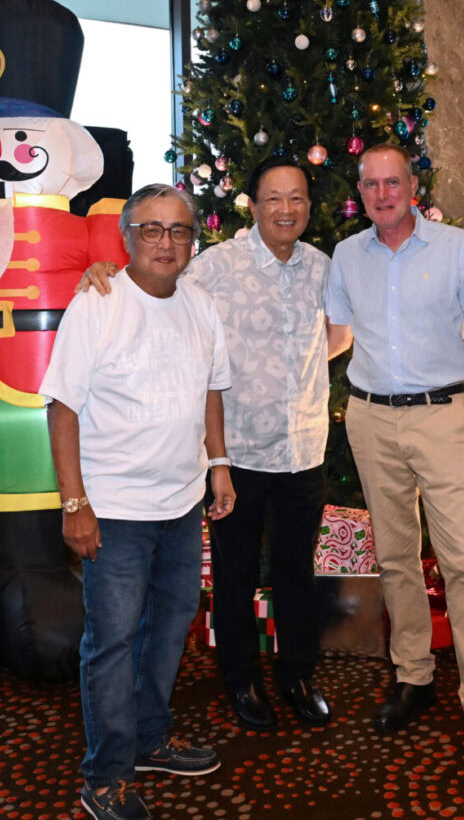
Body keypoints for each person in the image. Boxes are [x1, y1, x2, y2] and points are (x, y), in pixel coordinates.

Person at [82, 156, 353, 733]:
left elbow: (339, 334)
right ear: (252, 206)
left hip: (303, 448)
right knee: (235, 576)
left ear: (309, 206)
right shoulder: (216, 266)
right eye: (273, 198)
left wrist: (295, 373)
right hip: (237, 451)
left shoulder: (322, 267)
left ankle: (297, 677)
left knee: (296, 573)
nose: (285, 209)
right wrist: (104, 270)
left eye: (297, 198)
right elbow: (156, 289)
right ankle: (241, 679)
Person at [42, 182, 235, 820]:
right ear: (127, 236)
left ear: (192, 241)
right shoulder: (98, 303)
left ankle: (150, 739)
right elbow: (62, 407)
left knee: (168, 632)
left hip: (181, 505)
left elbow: (211, 390)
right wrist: (75, 504)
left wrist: (218, 466)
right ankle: (105, 777)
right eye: (151, 228)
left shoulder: (201, 305)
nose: (165, 242)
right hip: (114, 510)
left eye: (179, 230)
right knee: (113, 643)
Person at [324, 144, 464, 773]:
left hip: (441, 415)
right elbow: (335, 336)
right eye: (371, 185)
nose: (383, 194)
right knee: (395, 557)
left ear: (412, 186)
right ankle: (413, 676)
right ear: (360, 192)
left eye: (393, 182)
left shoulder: (455, 248)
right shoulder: (347, 256)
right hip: (370, 417)